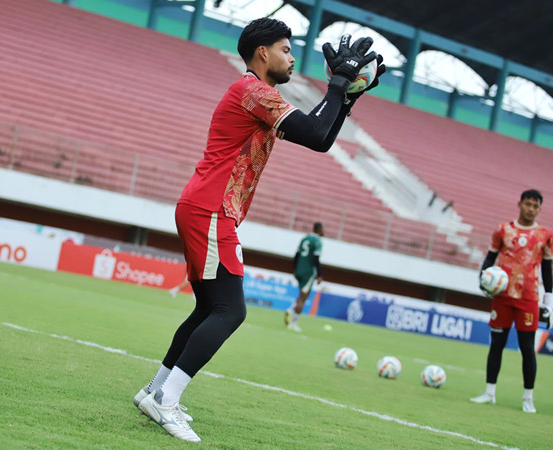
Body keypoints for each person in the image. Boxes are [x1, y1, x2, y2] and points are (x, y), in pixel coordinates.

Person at [134, 18, 385, 442]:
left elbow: (320, 139)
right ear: (262, 52)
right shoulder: (253, 90)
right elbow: (314, 129)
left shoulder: (258, 95)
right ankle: (166, 399)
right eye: (286, 49)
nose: (292, 57)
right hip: (211, 208)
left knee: (207, 310)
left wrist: (347, 95)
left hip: (207, 207)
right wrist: (340, 84)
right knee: (231, 311)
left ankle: (155, 390)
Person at [470, 189, 553, 414]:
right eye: (528, 204)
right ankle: (489, 393)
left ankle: (528, 397)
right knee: (496, 344)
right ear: (519, 204)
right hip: (503, 296)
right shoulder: (503, 230)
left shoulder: (545, 235)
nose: (531, 209)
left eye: (536, 206)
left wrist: (549, 300)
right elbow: (490, 257)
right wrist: (483, 280)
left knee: (527, 348)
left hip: (528, 298)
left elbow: (547, 269)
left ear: (540, 209)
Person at [285, 222, 324, 332]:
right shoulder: (318, 241)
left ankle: (291, 309)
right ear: (319, 229)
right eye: (323, 229)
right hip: (308, 272)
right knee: (303, 298)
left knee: (301, 295)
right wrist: (319, 275)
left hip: (299, 270)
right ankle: (293, 323)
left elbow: (296, 255)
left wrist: (295, 269)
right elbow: (316, 259)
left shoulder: (305, 238)